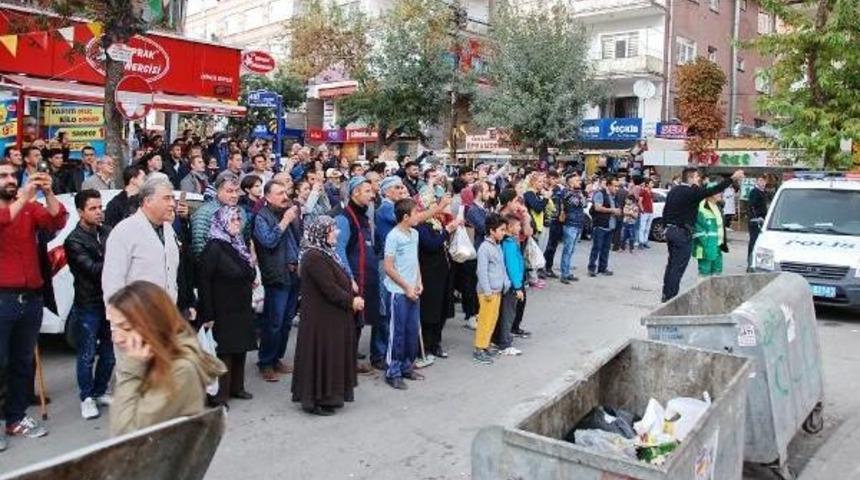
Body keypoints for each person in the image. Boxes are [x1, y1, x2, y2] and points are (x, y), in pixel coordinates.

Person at [0, 160, 67, 447]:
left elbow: (56, 220)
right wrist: (26, 197)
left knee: (21, 363)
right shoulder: (16, 205)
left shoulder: (26, 205)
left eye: (13, 175)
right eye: (3, 176)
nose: (10, 179)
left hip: (30, 299)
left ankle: (14, 418)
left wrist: (49, 192)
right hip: (2, 297)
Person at [107, 281, 225, 436]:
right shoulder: (147, 357)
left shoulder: (180, 370)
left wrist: (130, 372)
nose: (116, 338)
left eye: (126, 328)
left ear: (153, 324)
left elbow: (126, 434)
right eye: (113, 327)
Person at [292, 216, 362, 415]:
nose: (336, 233)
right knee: (321, 357)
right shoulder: (314, 257)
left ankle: (330, 396)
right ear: (321, 233)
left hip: (330, 316)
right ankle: (316, 399)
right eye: (332, 230)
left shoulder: (326, 253)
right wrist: (351, 301)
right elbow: (329, 288)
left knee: (330, 357)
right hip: (320, 319)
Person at [198, 206, 257, 408]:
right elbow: (204, 281)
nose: (237, 224)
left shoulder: (237, 243)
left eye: (238, 220)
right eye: (233, 220)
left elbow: (248, 272)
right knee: (224, 352)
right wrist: (208, 313)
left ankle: (236, 387)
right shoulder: (214, 246)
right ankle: (218, 396)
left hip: (240, 305)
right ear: (222, 222)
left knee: (240, 347)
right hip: (222, 307)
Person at [64, 190, 115, 420]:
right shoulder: (74, 241)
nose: (98, 212)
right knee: (86, 354)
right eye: (93, 208)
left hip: (110, 300)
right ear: (80, 212)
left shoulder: (106, 231)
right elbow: (93, 270)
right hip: (88, 304)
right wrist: (115, 258)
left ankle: (100, 390)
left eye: (100, 207)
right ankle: (86, 397)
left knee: (110, 352)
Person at [661, 167, 743, 301]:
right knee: (677, 267)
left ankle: (666, 293)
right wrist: (732, 178)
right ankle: (671, 297)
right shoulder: (691, 191)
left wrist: (666, 228)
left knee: (671, 265)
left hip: (671, 231)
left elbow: (666, 211)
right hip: (682, 234)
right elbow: (712, 190)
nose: (698, 179)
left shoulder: (674, 190)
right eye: (696, 177)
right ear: (690, 178)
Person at [102, 175, 180, 303]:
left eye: (172, 198)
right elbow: (112, 282)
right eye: (166, 198)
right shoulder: (125, 231)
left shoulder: (168, 229)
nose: (172, 204)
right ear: (148, 201)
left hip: (165, 314)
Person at [253, 180, 301, 382]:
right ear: (268, 197)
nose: (285, 197)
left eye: (285, 192)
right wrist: (285, 221)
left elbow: (298, 240)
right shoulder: (261, 217)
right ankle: (265, 361)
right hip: (276, 275)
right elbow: (268, 242)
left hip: (293, 274)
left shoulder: (289, 212)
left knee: (287, 321)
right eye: (280, 193)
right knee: (274, 322)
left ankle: (277, 358)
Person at [335, 177, 380, 375]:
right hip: (353, 280)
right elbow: (340, 250)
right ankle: (344, 363)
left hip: (366, 277)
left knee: (359, 322)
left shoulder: (364, 216)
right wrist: (349, 279)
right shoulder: (344, 218)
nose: (372, 195)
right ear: (355, 193)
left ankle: (350, 360)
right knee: (350, 324)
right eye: (368, 191)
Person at [382, 198, 424, 390]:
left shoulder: (414, 234)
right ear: (405, 217)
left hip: (412, 290)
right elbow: (389, 267)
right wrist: (406, 286)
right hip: (398, 292)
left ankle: (407, 365)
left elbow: (414, 261)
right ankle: (393, 370)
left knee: (411, 331)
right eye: (416, 213)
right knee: (397, 333)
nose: (419, 216)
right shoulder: (393, 236)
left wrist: (418, 282)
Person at [416, 206, 459, 360]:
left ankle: (436, 343)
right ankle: (425, 346)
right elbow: (431, 244)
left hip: (443, 270)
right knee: (430, 311)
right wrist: (447, 230)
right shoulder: (420, 226)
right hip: (429, 273)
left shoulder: (436, 222)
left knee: (441, 309)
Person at [473, 213, 509, 365]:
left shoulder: (498, 247)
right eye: (501, 230)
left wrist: (505, 283)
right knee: (485, 320)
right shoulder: (484, 248)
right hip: (488, 292)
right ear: (492, 231)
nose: (503, 232)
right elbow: (481, 271)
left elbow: (501, 267)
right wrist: (487, 290)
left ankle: (486, 344)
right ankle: (479, 348)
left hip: (497, 291)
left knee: (492, 319)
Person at [190, 172, 247, 257]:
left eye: (237, 191)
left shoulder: (241, 211)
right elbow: (199, 248)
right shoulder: (204, 214)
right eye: (229, 191)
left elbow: (245, 238)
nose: (235, 195)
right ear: (218, 191)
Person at [496, 214, 525, 356]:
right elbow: (512, 266)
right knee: (508, 314)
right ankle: (505, 343)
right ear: (511, 227)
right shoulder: (509, 244)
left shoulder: (506, 242)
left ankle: (500, 339)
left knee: (504, 312)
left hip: (507, 283)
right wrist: (518, 287)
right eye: (518, 225)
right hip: (511, 285)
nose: (520, 228)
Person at [588, 177, 621, 277]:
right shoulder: (600, 194)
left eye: (618, 186)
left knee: (606, 249)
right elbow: (597, 207)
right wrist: (612, 210)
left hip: (610, 226)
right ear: (609, 185)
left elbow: (617, 209)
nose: (617, 188)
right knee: (596, 248)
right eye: (615, 186)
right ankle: (592, 268)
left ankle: (603, 268)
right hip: (600, 225)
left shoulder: (614, 197)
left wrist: (618, 212)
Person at [693, 186, 728, 277]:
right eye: (718, 192)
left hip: (717, 244)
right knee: (705, 272)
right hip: (706, 246)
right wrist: (705, 242)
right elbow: (697, 227)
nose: (721, 194)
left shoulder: (717, 206)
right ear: (710, 194)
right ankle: (704, 290)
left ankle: (713, 290)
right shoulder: (701, 207)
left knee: (717, 271)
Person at [559, 173, 586, 284]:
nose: (579, 182)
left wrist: (580, 194)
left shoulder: (577, 192)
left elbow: (583, 204)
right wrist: (580, 195)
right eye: (577, 180)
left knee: (571, 250)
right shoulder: (567, 193)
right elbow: (578, 202)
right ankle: (564, 274)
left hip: (577, 223)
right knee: (567, 250)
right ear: (570, 182)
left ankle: (568, 272)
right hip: (570, 224)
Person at [747, 174, 768, 270]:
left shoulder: (764, 192)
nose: (762, 182)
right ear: (757, 182)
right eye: (760, 180)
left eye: (763, 181)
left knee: (762, 243)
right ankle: (750, 263)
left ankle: (759, 263)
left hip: (763, 221)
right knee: (754, 241)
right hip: (755, 221)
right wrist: (757, 218)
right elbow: (751, 207)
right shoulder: (754, 192)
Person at [637, 179, 655, 249]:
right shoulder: (643, 191)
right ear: (647, 184)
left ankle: (645, 241)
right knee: (642, 227)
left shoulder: (651, 192)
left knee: (647, 228)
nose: (652, 184)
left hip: (650, 211)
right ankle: (641, 242)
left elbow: (651, 201)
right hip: (645, 212)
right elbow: (640, 201)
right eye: (651, 183)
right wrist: (642, 209)